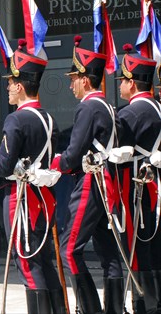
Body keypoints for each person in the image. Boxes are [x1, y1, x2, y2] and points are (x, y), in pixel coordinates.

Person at [0, 42, 63, 313]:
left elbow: (3, 166)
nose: (8, 87)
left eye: (11, 82)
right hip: (44, 197)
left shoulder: (16, 120)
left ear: (20, 85)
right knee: (44, 259)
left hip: (21, 199)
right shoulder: (48, 117)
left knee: (26, 260)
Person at [51, 36, 123, 314]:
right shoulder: (107, 105)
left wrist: (55, 164)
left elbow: (73, 152)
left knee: (69, 250)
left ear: (85, 79)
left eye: (74, 78)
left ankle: (90, 309)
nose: (71, 85)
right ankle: (114, 309)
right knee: (109, 253)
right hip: (107, 184)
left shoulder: (89, 106)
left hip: (92, 184)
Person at [109, 44, 160, 313]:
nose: (120, 86)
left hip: (137, 188)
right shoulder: (158, 107)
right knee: (154, 246)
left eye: (123, 81)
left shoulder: (130, 113)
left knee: (137, 248)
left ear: (133, 82)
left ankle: (145, 305)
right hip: (156, 185)